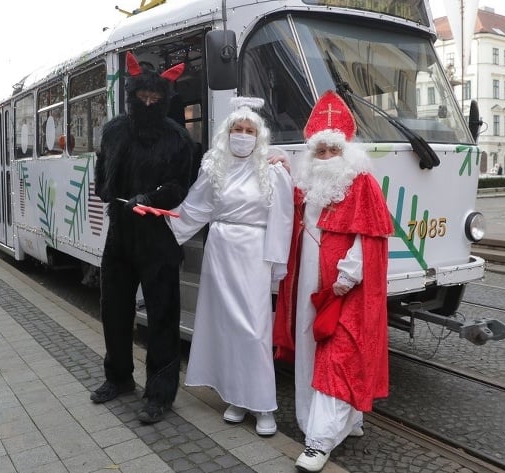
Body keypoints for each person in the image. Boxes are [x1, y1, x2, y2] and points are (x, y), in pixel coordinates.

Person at [273, 91, 393, 472]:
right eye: (319, 152)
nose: (325, 158)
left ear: (347, 153)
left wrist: (349, 274)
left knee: (339, 355)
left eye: (331, 151)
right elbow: (291, 201)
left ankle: (319, 440)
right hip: (309, 282)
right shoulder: (308, 186)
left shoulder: (363, 185)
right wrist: (277, 162)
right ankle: (348, 419)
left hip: (345, 289)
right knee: (312, 350)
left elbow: (369, 238)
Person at [168, 97, 294, 436]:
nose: (242, 134)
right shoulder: (215, 167)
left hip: (254, 252)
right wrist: (162, 228)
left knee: (253, 329)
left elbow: (282, 220)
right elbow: (195, 209)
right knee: (224, 326)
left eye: (248, 130)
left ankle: (264, 404)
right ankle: (236, 398)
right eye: (237, 129)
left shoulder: (273, 170)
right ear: (228, 133)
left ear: (259, 135)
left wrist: (275, 264)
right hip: (220, 251)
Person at [90, 51, 194, 424]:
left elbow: (182, 185)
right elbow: (102, 166)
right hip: (119, 234)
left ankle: (161, 394)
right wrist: (105, 190)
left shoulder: (179, 139)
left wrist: (154, 198)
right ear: (132, 96)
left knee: (163, 317)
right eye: (142, 98)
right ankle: (118, 378)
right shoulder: (114, 130)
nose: (148, 104)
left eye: (155, 100)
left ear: (164, 100)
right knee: (113, 310)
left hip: (157, 236)